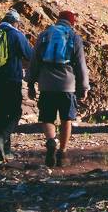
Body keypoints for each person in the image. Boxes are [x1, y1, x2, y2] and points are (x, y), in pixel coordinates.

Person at [28, 10, 90, 168]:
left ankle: (50, 141)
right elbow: (81, 65)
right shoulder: (74, 37)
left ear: (58, 20)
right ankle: (62, 152)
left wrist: (30, 83)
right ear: (72, 22)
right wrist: (83, 87)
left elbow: (35, 60)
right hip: (67, 86)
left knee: (47, 118)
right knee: (66, 119)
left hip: (46, 84)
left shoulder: (44, 35)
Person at [0, 9, 33, 161]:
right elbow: (30, 55)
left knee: (0, 115)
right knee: (15, 113)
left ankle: (4, 152)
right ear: (15, 22)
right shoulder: (16, 35)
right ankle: (1, 137)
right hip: (12, 79)